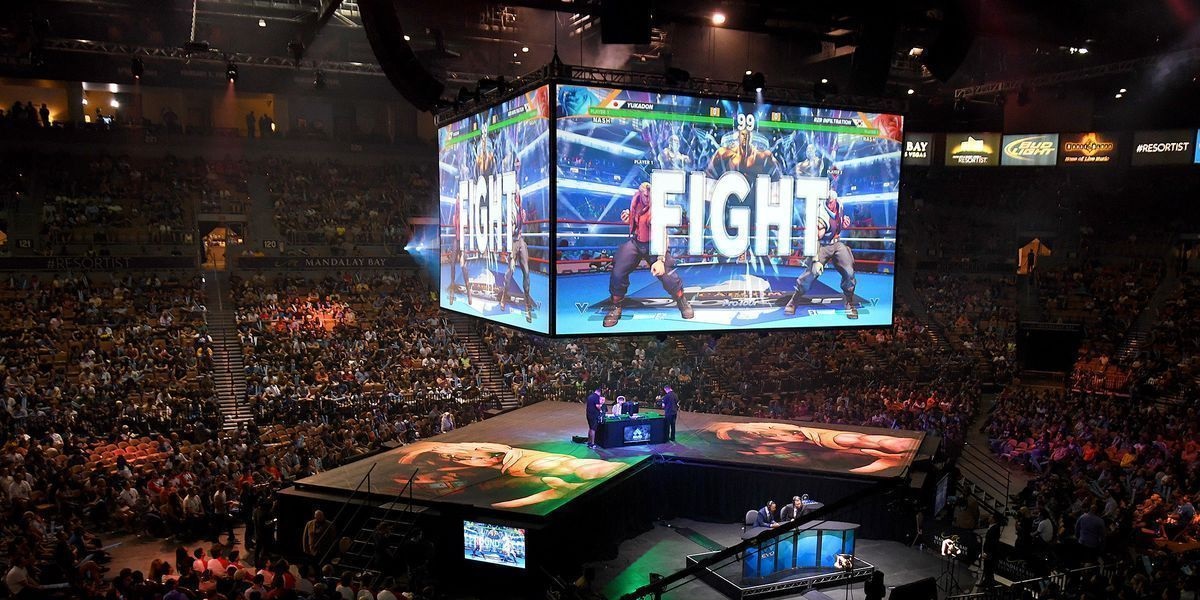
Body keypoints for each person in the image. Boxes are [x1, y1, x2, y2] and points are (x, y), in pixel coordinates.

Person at [602, 182, 693, 327]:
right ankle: (616, 305)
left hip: (655, 244)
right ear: (640, 193)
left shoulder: (658, 208)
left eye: (649, 194)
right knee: (618, 271)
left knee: (667, 275)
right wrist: (629, 218)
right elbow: (637, 222)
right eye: (644, 194)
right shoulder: (636, 201)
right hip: (637, 242)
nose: (646, 197)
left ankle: (681, 300)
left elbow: (662, 235)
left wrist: (660, 259)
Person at [784, 186, 859, 319]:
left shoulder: (840, 204)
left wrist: (843, 222)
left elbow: (838, 222)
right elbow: (814, 237)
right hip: (821, 246)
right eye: (828, 200)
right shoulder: (820, 213)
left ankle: (849, 302)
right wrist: (815, 260)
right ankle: (794, 300)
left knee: (849, 272)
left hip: (836, 243)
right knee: (812, 272)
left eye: (831, 200)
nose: (830, 202)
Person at [498, 156, 534, 323]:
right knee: (510, 271)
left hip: (520, 240)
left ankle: (527, 306)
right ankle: (504, 297)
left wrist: (517, 168)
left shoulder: (519, 203)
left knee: (526, 271)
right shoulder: (508, 204)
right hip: (512, 241)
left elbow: (517, 183)